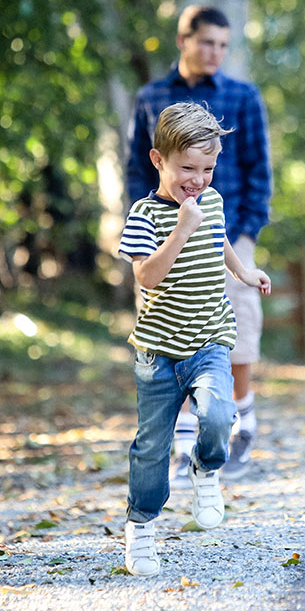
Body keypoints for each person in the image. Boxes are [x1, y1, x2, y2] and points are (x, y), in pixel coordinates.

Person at [117, 102, 272, 577]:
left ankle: (207, 468)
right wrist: (180, 231)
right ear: (158, 160)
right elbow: (148, 277)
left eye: (207, 168)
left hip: (210, 338)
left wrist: (244, 271)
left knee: (220, 414)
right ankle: (142, 527)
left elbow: (218, 240)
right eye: (188, 168)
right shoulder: (144, 215)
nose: (199, 179)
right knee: (151, 447)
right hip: (158, 352)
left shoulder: (213, 202)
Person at [127, 5, 273, 485]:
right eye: (207, 42)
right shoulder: (152, 96)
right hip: (163, 229)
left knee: (239, 319)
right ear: (184, 40)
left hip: (224, 230)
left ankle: (242, 420)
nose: (215, 53)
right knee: (170, 322)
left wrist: (245, 231)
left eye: (223, 45)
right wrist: (148, 222)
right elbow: (135, 168)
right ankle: (184, 433)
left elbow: (258, 168)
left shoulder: (241, 95)